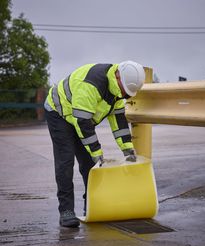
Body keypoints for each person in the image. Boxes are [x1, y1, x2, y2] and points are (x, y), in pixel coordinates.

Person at [44, 61, 145, 228]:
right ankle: (66, 211)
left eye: (127, 94)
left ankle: (91, 205)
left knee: (90, 165)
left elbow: (119, 125)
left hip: (80, 117)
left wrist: (129, 152)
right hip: (59, 113)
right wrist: (98, 154)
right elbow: (83, 122)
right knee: (66, 161)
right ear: (118, 75)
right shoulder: (91, 84)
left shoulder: (118, 92)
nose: (124, 95)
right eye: (124, 91)